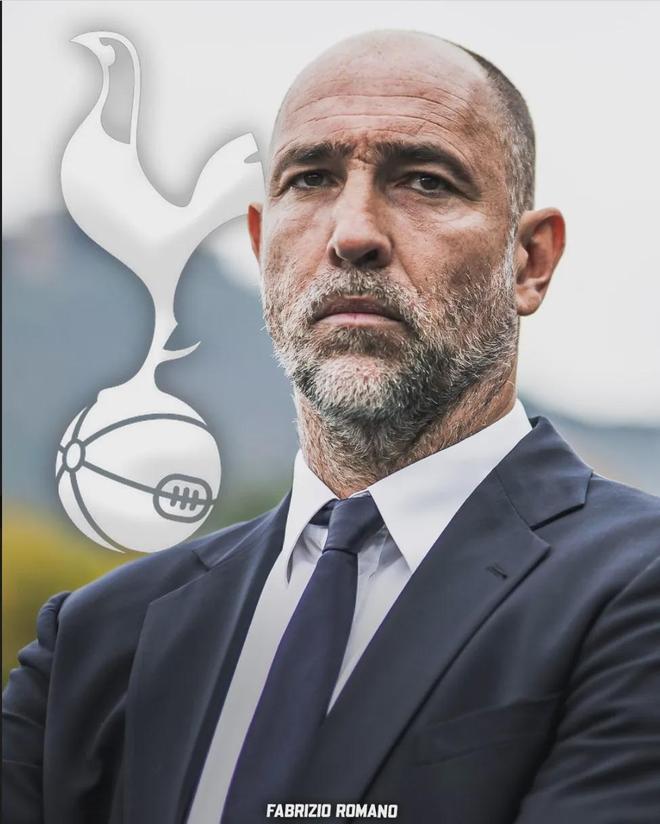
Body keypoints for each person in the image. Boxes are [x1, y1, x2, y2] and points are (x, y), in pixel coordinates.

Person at [3, 29, 660, 824]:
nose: (353, 234)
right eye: (310, 179)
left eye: (425, 181)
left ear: (529, 260)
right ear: (260, 245)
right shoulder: (97, 639)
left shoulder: (635, 587)